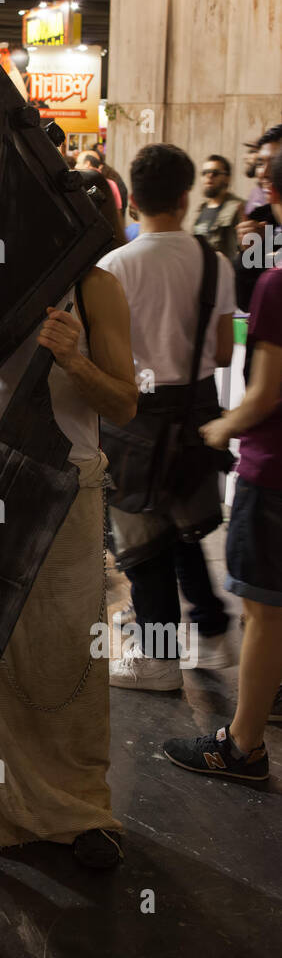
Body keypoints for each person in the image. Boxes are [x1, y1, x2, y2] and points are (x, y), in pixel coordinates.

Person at [0, 242, 137, 870]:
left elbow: (123, 401)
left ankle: (74, 807)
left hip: (67, 485)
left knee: (67, 650)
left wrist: (73, 358)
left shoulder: (95, 286)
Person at [99, 143, 236, 691]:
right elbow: (225, 352)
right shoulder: (214, 261)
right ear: (186, 197)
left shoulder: (115, 266)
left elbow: (103, 354)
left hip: (134, 416)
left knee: (140, 539)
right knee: (184, 527)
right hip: (198, 413)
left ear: (133, 200)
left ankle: (156, 659)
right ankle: (212, 632)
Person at [164, 156, 282, 781]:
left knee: (264, 613)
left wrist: (223, 426)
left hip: (274, 471)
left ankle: (242, 746)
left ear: (269, 191)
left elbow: (264, 392)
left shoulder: (276, 285)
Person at [233, 124, 282, 311]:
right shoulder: (260, 220)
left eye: (276, 162)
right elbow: (246, 301)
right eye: (261, 163)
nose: (265, 172)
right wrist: (248, 251)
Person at [190, 155, 242, 261]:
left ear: (227, 178)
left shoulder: (238, 208)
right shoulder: (201, 209)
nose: (209, 176)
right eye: (205, 173)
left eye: (215, 173)